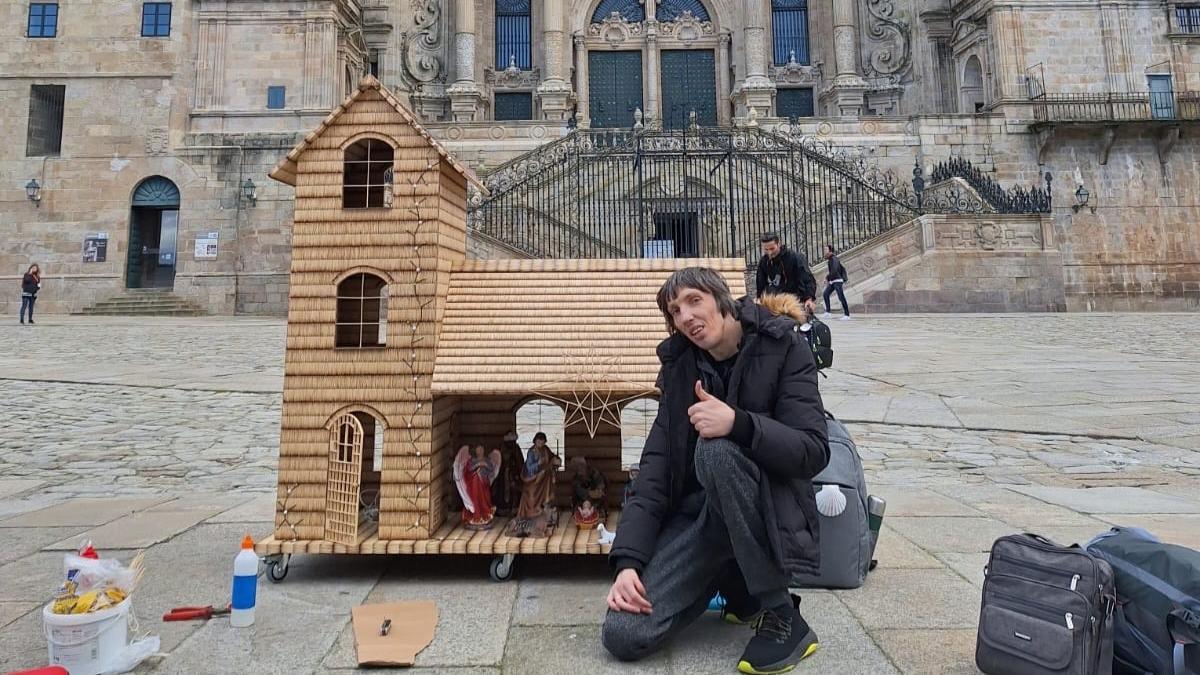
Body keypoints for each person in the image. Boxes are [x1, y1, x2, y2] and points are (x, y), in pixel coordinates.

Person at [602, 267, 830, 675]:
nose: (685, 317)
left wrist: (738, 424)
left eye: (694, 300)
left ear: (722, 299)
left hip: (768, 507)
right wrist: (628, 563)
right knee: (622, 633)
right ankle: (738, 588)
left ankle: (782, 615)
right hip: (701, 521)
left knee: (716, 452)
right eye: (674, 310)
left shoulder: (783, 347)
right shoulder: (680, 368)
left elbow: (812, 450)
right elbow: (656, 468)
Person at [754, 233, 816, 317]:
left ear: (778, 244)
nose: (769, 252)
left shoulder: (795, 257)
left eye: (772, 248)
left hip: (796, 301)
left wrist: (809, 298)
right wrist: (760, 298)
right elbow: (760, 282)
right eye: (766, 249)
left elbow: (807, 278)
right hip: (777, 303)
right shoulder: (764, 261)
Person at [820, 245, 850, 321]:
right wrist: (829, 278)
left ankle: (847, 315)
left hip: (837, 281)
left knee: (841, 297)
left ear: (830, 251)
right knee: (825, 294)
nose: (824, 251)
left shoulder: (834, 259)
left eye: (826, 249)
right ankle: (828, 312)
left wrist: (827, 278)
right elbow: (833, 271)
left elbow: (834, 270)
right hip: (833, 281)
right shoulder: (830, 259)